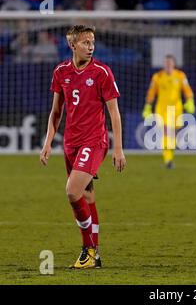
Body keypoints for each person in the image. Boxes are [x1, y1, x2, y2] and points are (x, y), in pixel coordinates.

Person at [40, 25, 126, 269]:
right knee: (86, 196)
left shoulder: (102, 72)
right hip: (71, 143)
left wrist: (118, 148)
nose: (91, 46)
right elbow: (56, 112)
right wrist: (48, 142)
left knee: (71, 191)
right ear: (72, 45)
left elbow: (114, 114)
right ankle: (94, 256)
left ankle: (88, 249)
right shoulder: (60, 72)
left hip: (94, 141)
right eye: (86, 42)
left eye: (92, 42)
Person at [142, 55, 195, 169]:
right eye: (166, 63)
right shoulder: (158, 76)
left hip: (176, 109)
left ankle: (169, 157)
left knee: (173, 134)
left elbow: (187, 90)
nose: (168, 65)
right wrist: (147, 106)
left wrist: (190, 101)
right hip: (162, 109)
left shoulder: (180, 76)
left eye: (170, 63)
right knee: (167, 132)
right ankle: (168, 160)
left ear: (174, 64)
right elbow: (151, 93)